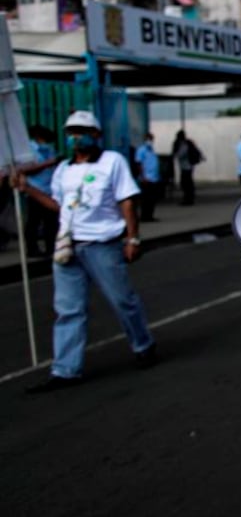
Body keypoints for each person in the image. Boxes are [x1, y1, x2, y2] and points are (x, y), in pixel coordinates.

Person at [16, 110, 156, 393]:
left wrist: (133, 239)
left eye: (81, 131)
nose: (75, 137)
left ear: (96, 135)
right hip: (68, 246)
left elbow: (128, 201)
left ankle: (143, 345)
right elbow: (58, 204)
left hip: (103, 244)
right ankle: (66, 369)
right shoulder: (63, 170)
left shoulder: (112, 162)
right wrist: (27, 189)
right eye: (71, 132)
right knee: (68, 309)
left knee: (122, 300)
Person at [22, 125, 62, 256]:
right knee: (34, 221)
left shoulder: (49, 149)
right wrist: (48, 163)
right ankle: (32, 249)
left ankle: (51, 248)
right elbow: (26, 169)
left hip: (49, 190)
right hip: (35, 190)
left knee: (51, 222)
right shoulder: (29, 150)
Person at [134, 132, 162, 222]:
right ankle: (144, 216)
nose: (151, 141)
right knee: (146, 199)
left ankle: (150, 216)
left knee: (152, 199)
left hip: (154, 177)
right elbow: (139, 164)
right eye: (149, 139)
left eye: (152, 139)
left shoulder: (151, 150)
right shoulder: (141, 150)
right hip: (146, 178)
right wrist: (143, 176)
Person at [172, 130, 201, 205]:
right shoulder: (188, 143)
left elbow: (180, 155)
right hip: (189, 166)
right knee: (188, 184)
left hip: (186, 167)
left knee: (186, 184)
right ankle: (189, 198)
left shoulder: (183, 144)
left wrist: (175, 153)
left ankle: (188, 199)